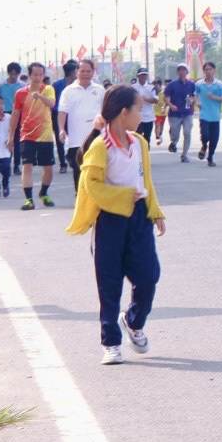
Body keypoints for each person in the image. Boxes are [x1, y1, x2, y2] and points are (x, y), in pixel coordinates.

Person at [65, 84, 166, 365]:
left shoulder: (139, 142)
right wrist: (122, 196)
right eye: (138, 109)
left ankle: (133, 322)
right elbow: (90, 186)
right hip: (110, 221)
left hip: (139, 217)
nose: (141, 115)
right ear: (124, 112)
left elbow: (145, 181)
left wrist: (155, 210)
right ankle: (110, 342)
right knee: (109, 284)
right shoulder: (101, 146)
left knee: (148, 276)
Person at [15, 63, 59, 211]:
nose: (38, 77)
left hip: (45, 135)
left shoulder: (48, 89)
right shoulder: (20, 93)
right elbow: (15, 114)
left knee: (48, 168)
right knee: (27, 166)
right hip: (26, 135)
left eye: (41, 75)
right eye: (35, 74)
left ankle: (44, 193)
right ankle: (29, 200)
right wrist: (10, 136)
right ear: (29, 75)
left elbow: (52, 103)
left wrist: (39, 96)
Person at [58, 58, 105, 190]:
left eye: (88, 71)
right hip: (76, 139)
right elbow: (62, 112)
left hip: (97, 138)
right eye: (82, 71)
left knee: (96, 169)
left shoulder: (100, 90)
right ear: (76, 72)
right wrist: (61, 129)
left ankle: (96, 197)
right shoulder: (68, 91)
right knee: (78, 171)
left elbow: (106, 111)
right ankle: (79, 196)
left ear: (93, 72)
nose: (85, 74)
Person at [194, 61, 222, 166]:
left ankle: (210, 157)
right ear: (204, 71)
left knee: (214, 139)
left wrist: (213, 97)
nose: (208, 71)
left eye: (210, 69)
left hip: (215, 116)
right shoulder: (199, 84)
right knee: (205, 135)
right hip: (204, 115)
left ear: (214, 70)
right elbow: (195, 95)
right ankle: (204, 146)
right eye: (206, 69)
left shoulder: (219, 85)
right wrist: (197, 102)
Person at [164, 65, 197, 161]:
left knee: (187, 133)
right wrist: (171, 105)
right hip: (175, 113)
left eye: (183, 70)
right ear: (177, 72)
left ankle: (184, 155)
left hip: (187, 113)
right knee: (175, 133)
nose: (182, 72)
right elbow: (165, 97)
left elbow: (194, 96)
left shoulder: (191, 85)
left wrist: (192, 101)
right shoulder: (172, 85)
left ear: (187, 72)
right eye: (180, 70)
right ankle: (173, 142)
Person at [0, 62, 22, 175]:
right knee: (6, 140)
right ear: (8, 73)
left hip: (18, 114)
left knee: (17, 141)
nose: (14, 76)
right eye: (12, 74)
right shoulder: (1, 86)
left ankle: (16, 165)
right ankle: (6, 163)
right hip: (5, 114)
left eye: (16, 74)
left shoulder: (22, 86)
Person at [52, 61, 75, 173]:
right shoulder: (57, 85)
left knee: (74, 136)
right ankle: (63, 164)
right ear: (71, 73)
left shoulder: (77, 85)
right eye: (76, 71)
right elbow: (53, 100)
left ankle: (72, 157)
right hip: (58, 114)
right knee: (59, 139)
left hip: (73, 114)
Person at [131, 68, 158, 145]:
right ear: (137, 76)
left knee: (147, 137)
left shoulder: (151, 87)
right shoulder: (133, 87)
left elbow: (155, 100)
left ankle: (146, 151)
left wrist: (144, 98)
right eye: (141, 75)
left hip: (148, 116)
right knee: (137, 137)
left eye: (145, 75)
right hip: (137, 116)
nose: (143, 77)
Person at [153, 79, 169, 146]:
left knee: (161, 125)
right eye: (154, 85)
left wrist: (164, 107)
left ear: (160, 85)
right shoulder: (152, 93)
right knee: (157, 125)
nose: (155, 87)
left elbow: (167, 102)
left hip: (162, 112)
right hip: (155, 112)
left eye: (157, 85)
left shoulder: (163, 93)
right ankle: (157, 137)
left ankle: (160, 134)